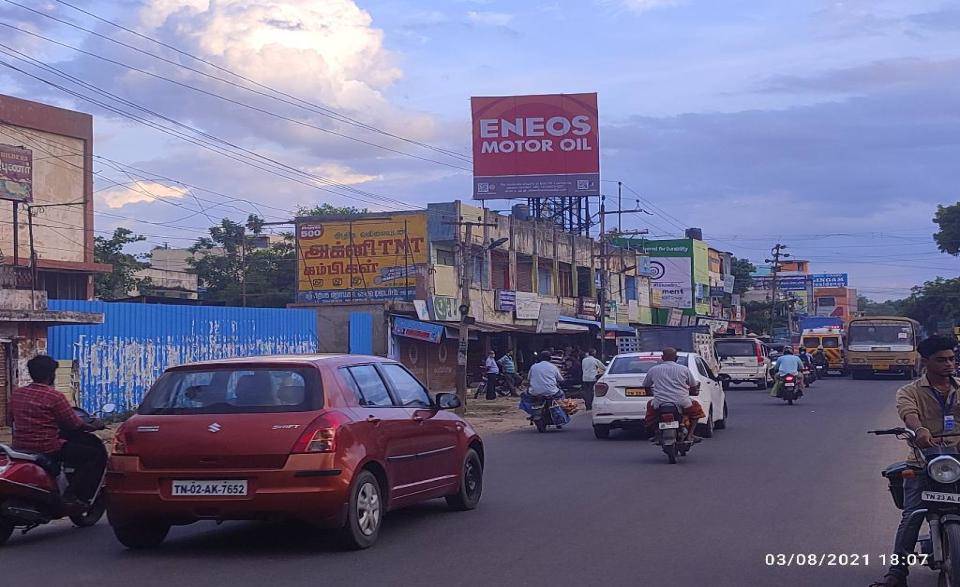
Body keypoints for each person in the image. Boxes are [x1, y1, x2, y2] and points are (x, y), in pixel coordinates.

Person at [872, 336, 960, 587]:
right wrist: (919, 430)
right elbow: (908, 413)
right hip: (924, 463)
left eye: (952, 359)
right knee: (912, 516)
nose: (949, 364)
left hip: (958, 462)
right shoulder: (909, 391)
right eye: (941, 360)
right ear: (926, 362)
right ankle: (896, 574)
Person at [10, 355, 106, 506]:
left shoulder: (17, 394)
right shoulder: (55, 397)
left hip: (19, 447)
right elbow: (74, 424)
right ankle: (73, 494)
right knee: (93, 455)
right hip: (48, 447)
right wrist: (95, 425)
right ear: (51, 375)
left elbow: (11, 420)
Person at [641, 348, 706, 443]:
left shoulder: (653, 370)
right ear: (676, 358)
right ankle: (690, 435)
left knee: (651, 415)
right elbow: (693, 386)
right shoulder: (684, 369)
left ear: (662, 357)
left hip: (659, 402)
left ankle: (657, 433)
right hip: (683, 402)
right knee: (696, 412)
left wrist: (650, 393)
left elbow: (646, 386)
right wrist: (693, 392)